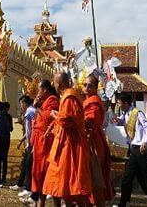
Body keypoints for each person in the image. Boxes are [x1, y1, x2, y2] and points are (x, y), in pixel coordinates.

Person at [42, 72, 92, 206]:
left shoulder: (70, 97)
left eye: (55, 83)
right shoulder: (66, 96)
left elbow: (66, 120)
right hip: (62, 144)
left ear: (61, 83)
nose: (54, 85)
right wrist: (53, 124)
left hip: (69, 146)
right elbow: (65, 117)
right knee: (56, 183)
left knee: (70, 183)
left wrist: (54, 116)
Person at [114, 92, 147, 207]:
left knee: (146, 180)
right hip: (133, 151)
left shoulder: (137, 113)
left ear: (125, 103)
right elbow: (121, 121)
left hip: (141, 150)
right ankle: (123, 203)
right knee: (127, 178)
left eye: (120, 103)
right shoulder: (126, 114)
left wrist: (145, 141)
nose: (119, 105)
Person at [83, 74, 116, 206]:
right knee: (88, 181)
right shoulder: (86, 101)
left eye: (90, 85)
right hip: (87, 142)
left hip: (94, 144)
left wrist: (75, 119)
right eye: (85, 85)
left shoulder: (95, 102)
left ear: (96, 88)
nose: (86, 87)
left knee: (96, 180)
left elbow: (91, 122)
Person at [30, 79, 59, 207]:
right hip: (39, 141)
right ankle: (39, 203)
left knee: (48, 173)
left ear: (45, 90)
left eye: (40, 89)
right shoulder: (44, 102)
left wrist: (38, 108)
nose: (38, 92)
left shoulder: (52, 100)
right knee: (40, 174)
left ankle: (56, 203)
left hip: (46, 141)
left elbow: (49, 117)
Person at [11, 95, 35, 196]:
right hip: (30, 143)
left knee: (28, 165)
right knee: (25, 163)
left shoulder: (29, 112)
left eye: (21, 104)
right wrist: (22, 140)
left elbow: (33, 129)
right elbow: (29, 130)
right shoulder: (32, 110)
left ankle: (28, 187)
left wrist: (30, 144)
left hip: (33, 143)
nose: (21, 106)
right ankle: (21, 184)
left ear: (24, 103)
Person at [1, 101, 13, 184]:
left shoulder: (9, 117)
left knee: (4, 158)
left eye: (7, 109)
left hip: (6, 138)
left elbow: (11, 129)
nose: (5, 110)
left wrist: (7, 123)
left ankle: (3, 177)